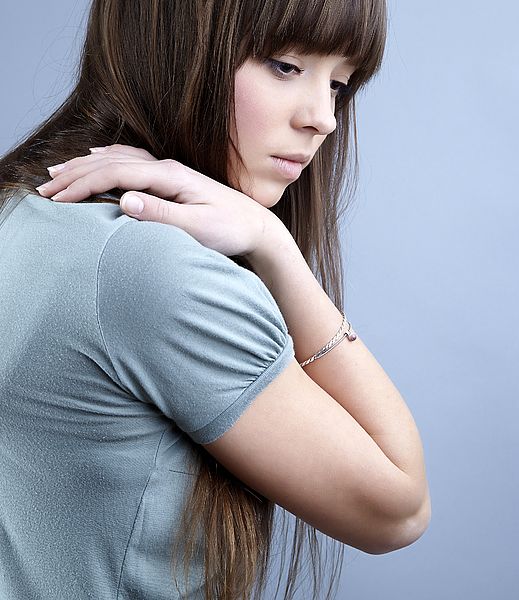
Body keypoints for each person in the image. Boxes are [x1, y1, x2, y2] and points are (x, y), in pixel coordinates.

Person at [0, 1, 430, 598]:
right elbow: (398, 509)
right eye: (284, 65)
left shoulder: (21, 210)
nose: (323, 117)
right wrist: (276, 247)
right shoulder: (153, 270)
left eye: (338, 83)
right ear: (172, 46)